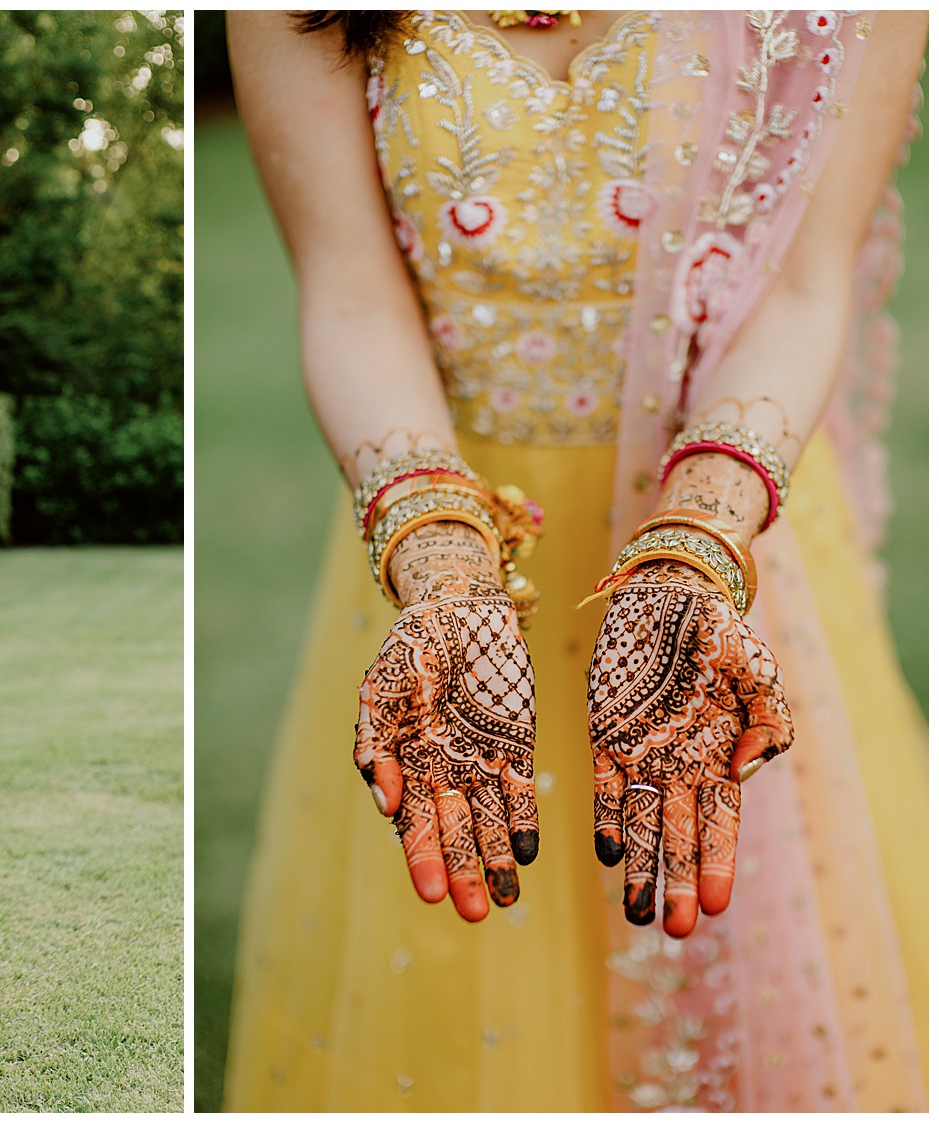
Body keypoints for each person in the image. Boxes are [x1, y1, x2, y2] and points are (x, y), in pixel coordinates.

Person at [222, 10, 925, 1111]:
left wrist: (691, 558)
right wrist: (447, 575)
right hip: (447, 549)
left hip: (732, 533)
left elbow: (802, 287)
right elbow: (353, 294)